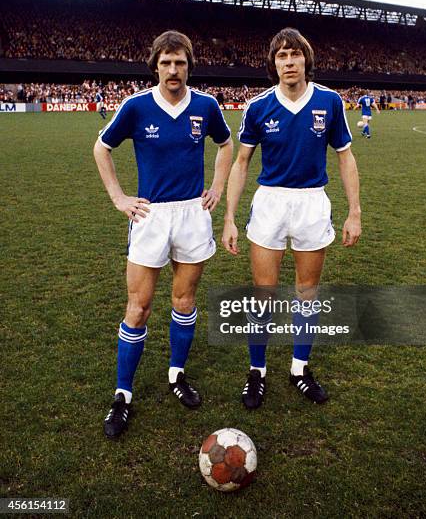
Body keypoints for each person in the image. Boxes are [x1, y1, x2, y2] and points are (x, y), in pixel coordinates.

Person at [94, 30, 233, 438]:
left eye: (181, 63)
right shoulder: (136, 106)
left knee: (184, 300)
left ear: (189, 66)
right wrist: (119, 197)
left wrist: (218, 188)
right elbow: (102, 148)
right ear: (155, 65)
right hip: (151, 216)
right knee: (138, 307)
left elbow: (226, 146)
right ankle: (123, 394)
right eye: (167, 62)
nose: (174, 70)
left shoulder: (206, 105)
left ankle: (176, 375)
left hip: (192, 213)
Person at [222, 28, 361, 409]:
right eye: (281, 56)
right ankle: (257, 372)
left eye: (294, 55)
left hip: (312, 203)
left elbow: (345, 156)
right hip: (271, 203)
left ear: (306, 60)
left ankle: (300, 368)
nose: (288, 62)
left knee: (307, 292)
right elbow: (242, 162)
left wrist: (355, 211)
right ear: (274, 64)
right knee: (263, 295)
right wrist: (230, 218)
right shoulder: (258, 106)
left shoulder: (330, 102)